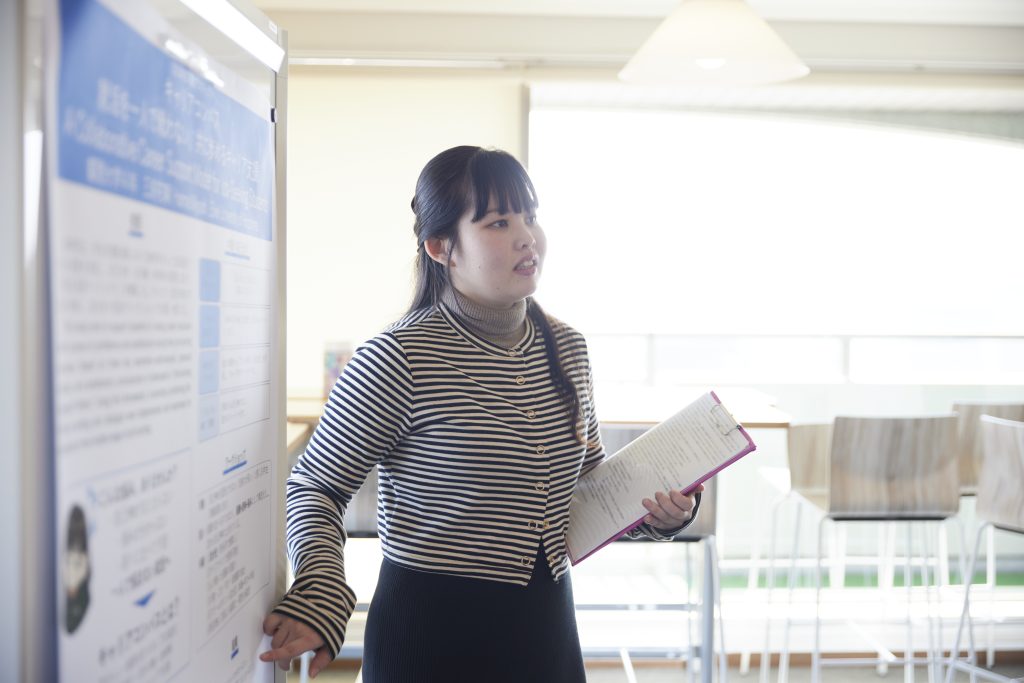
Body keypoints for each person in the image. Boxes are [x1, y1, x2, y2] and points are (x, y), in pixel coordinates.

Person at [260, 145, 703, 682]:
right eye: (498, 222)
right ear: (440, 247)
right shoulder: (398, 357)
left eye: (531, 217)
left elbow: (584, 492)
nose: (527, 237)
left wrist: (658, 515)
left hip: (546, 631)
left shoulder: (568, 348)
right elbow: (314, 486)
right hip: (430, 636)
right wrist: (323, 587)